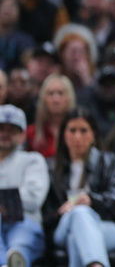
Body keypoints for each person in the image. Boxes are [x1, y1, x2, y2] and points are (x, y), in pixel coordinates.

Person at [42, 107, 115, 267]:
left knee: (77, 238)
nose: (77, 137)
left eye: (83, 130)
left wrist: (91, 201)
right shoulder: (52, 170)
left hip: (106, 225)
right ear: (63, 135)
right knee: (79, 214)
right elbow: (46, 217)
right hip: (62, 228)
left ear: (93, 134)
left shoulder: (109, 163)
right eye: (72, 130)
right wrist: (64, 211)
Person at [0, 104, 49, 267]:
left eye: (12, 130)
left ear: (22, 135)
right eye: (1, 128)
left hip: (24, 221)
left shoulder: (33, 160)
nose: (5, 134)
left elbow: (34, 198)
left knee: (19, 246)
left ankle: (14, 260)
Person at [26, 74, 77, 159]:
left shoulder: (79, 132)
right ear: (43, 99)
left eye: (61, 93)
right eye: (50, 93)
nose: (55, 99)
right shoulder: (31, 133)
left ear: (69, 97)